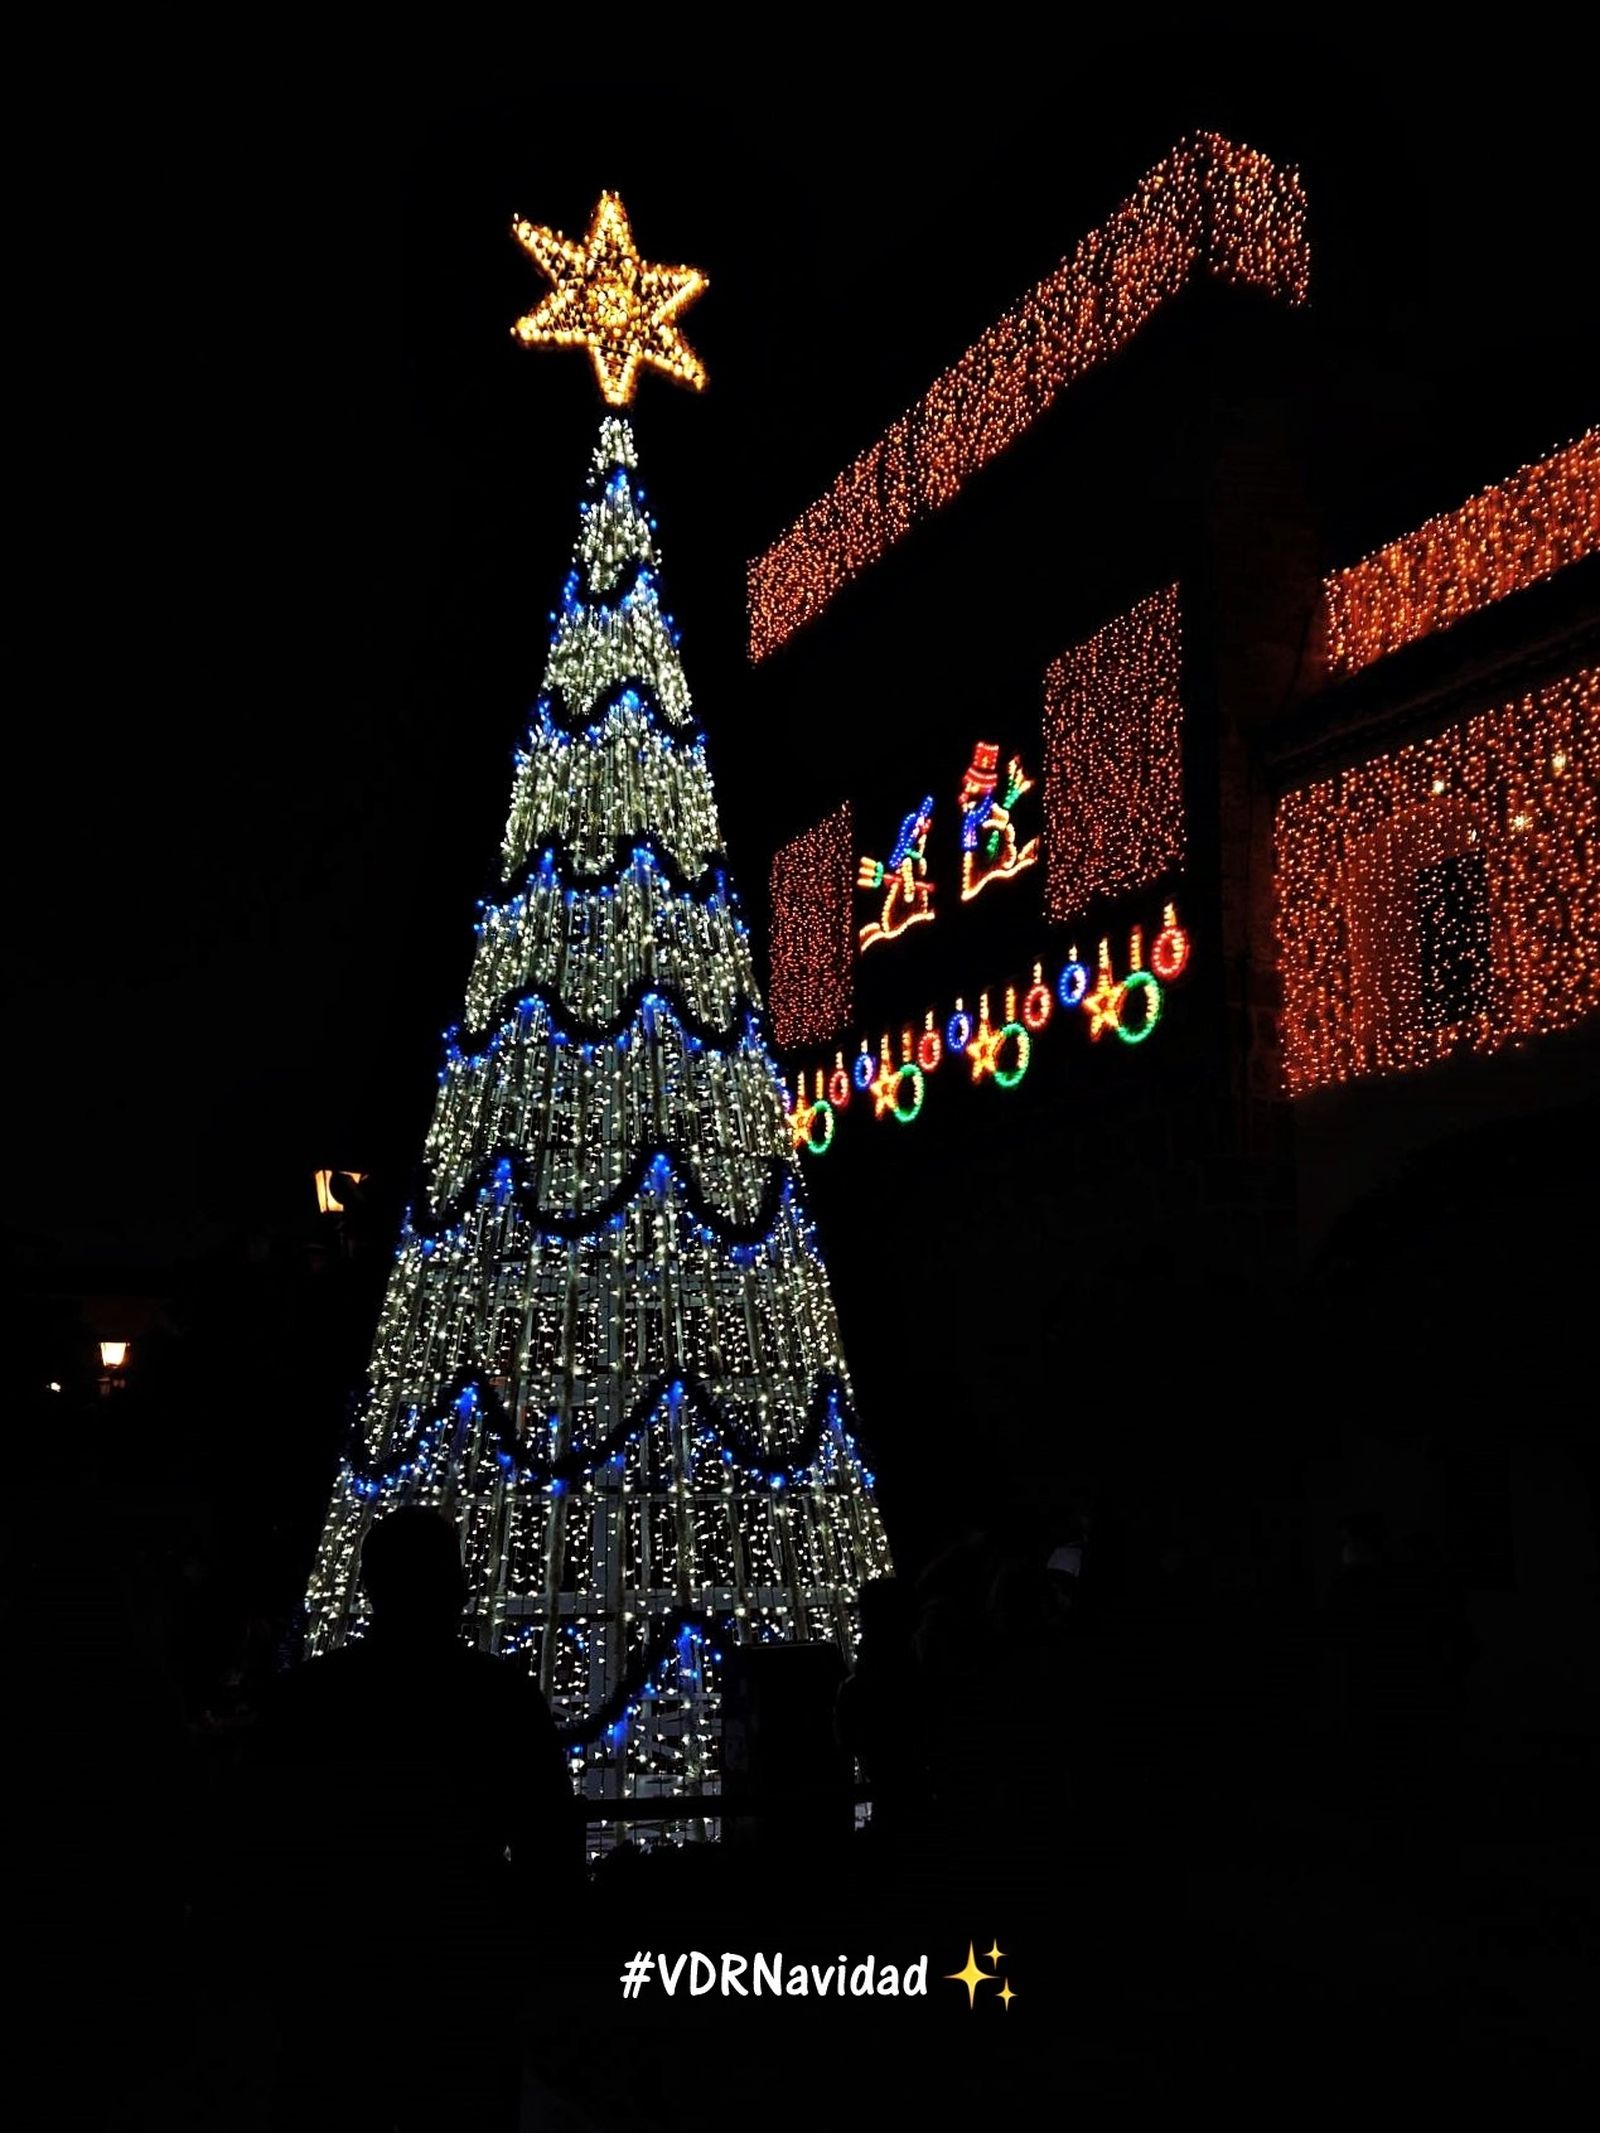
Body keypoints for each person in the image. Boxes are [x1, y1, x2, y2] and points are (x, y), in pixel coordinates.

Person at [246, 1507, 581, 2131]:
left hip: (334, 1981)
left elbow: (261, 1841)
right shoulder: (497, 1697)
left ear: (371, 1588)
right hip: (458, 1979)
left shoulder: (308, 1698)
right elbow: (551, 1847)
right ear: (455, 1588)